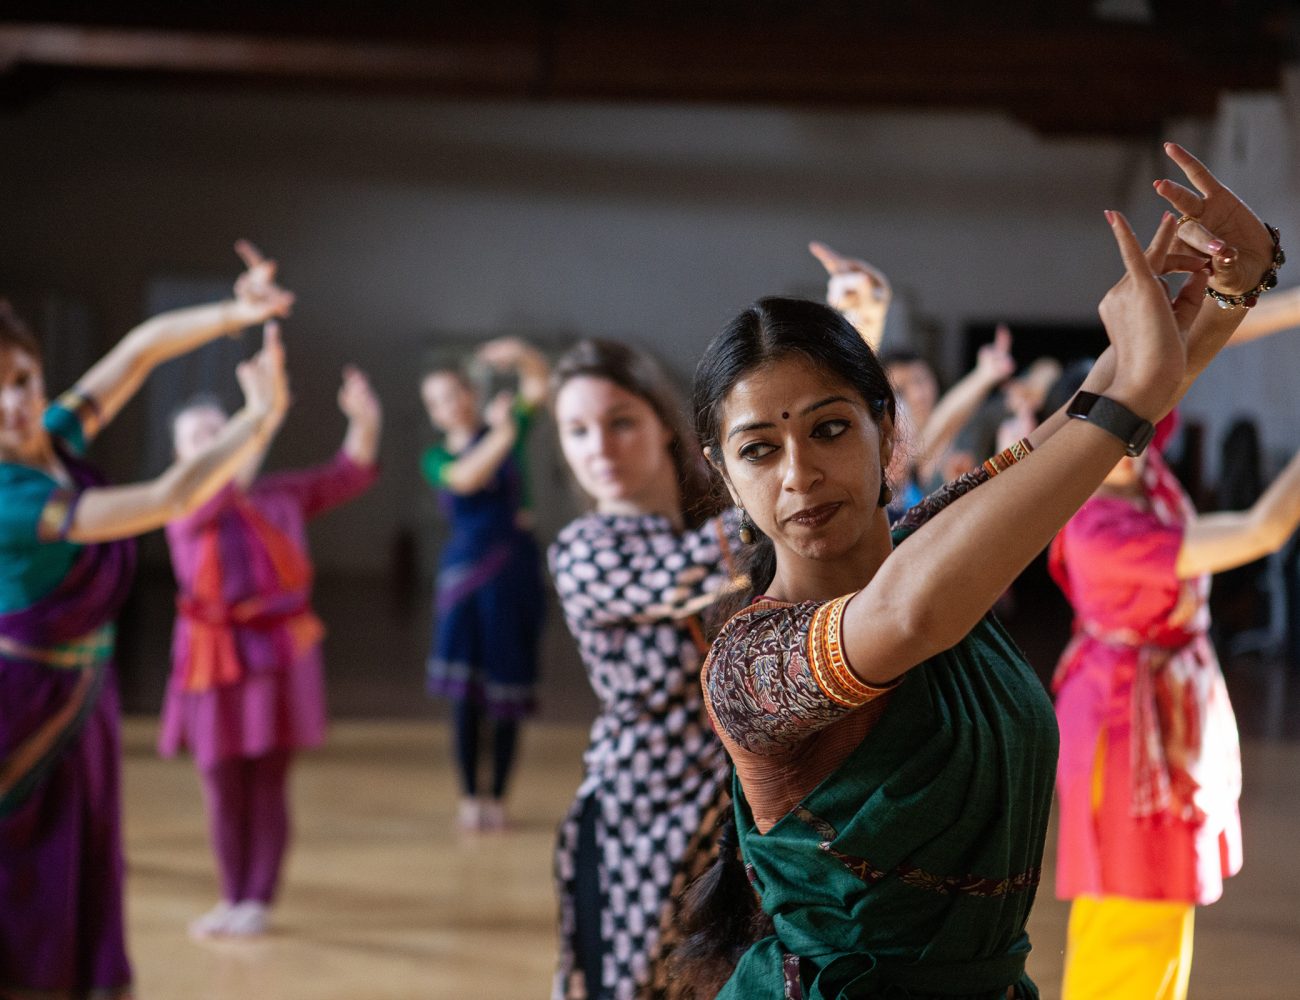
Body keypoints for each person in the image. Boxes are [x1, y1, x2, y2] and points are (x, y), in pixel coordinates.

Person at [681, 143, 1278, 999]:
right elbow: (906, 617)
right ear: (724, 474)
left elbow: (1094, 406)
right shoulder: (750, 666)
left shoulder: (934, 540)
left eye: (830, 429)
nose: (799, 475)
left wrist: (1232, 280)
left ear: (889, 432)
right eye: (758, 449)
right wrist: (1133, 387)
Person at [0, 243, 292, 999]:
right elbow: (168, 497)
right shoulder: (10, 495)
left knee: (83, 864)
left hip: (79, 699)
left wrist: (239, 312)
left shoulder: (53, 437)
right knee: (27, 881)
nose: (15, 405)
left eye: (22, 379)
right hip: (22, 708)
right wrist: (256, 421)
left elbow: (139, 349)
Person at [1050, 406, 1300, 997]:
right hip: (1122, 723)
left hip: (1163, 704)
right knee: (1131, 907)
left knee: (1164, 905)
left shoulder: (1137, 456)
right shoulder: (1096, 525)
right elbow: (1263, 530)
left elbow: (1183, 354)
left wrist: (1289, 309)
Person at [161, 334, 381, 939]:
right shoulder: (180, 505)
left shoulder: (277, 497)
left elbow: (349, 473)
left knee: (267, 780)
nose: (212, 444)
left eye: (219, 431)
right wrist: (264, 409)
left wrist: (364, 422)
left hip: (279, 653)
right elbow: (223, 479)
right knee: (220, 782)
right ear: (178, 456)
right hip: (213, 657)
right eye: (198, 438)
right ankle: (232, 894)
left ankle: (256, 899)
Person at [547, 339, 737, 1000]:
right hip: (638, 815)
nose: (598, 445)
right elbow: (685, 574)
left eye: (619, 421)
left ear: (662, 424)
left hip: (730, 815)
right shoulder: (584, 550)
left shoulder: (712, 527)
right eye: (576, 430)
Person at [420, 337, 548, 832]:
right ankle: (470, 796)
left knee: (508, 690)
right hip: (465, 581)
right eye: (437, 402)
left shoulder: (504, 425)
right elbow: (466, 478)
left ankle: (498, 797)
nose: (450, 407)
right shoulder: (435, 457)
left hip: (514, 575)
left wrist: (520, 353)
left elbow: (538, 382)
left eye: (455, 394)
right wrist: (503, 433)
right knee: (466, 697)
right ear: (432, 413)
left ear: (470, 393)